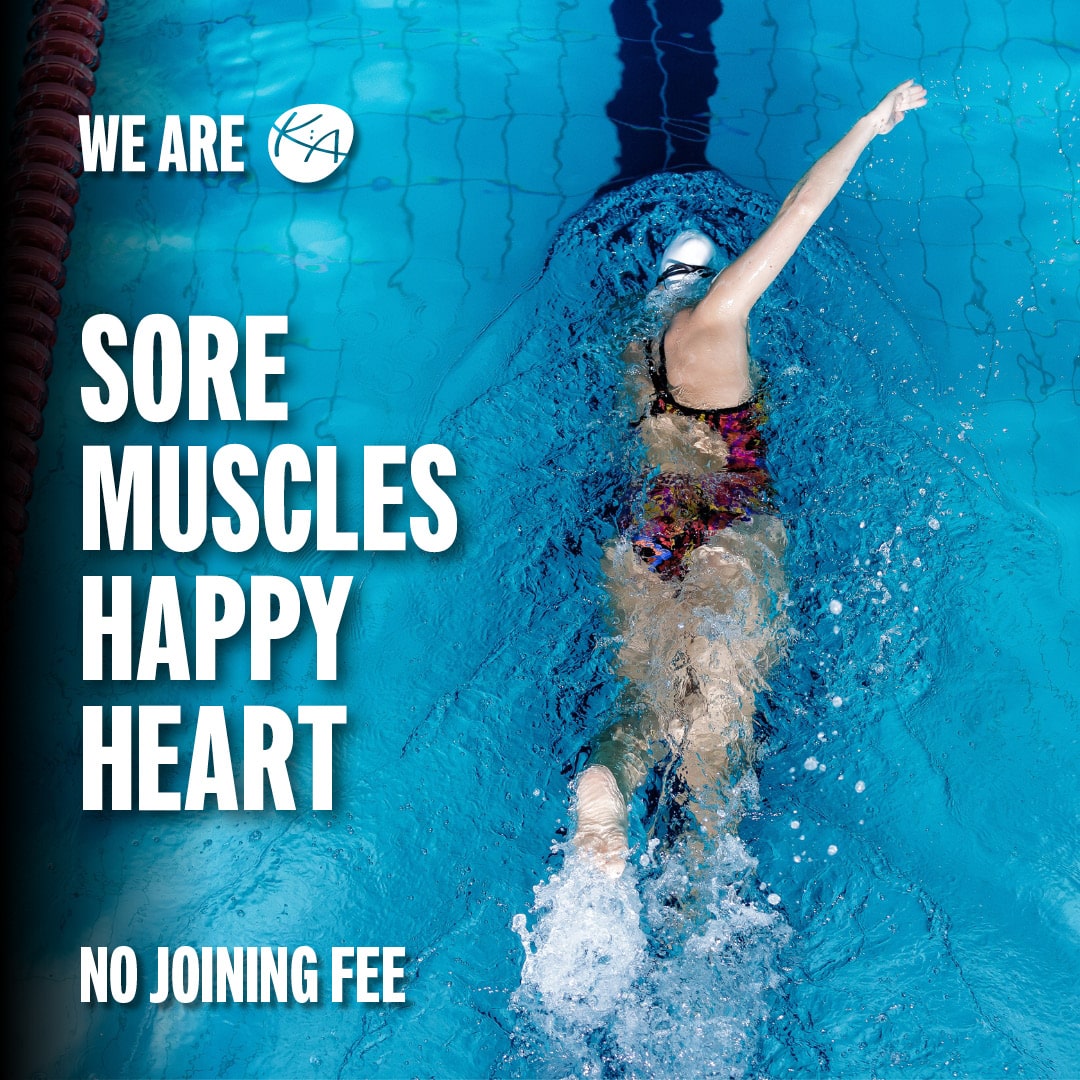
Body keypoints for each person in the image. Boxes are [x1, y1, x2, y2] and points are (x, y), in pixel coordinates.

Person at [573, 80, 928, 876]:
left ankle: (611, 782)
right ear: (706, 289)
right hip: (733, 531)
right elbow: (798, 213)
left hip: (647, 532)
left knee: (639, 701)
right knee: (716, 735)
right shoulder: (716, 324)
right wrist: (869, 125)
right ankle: (697, 892)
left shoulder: (632, 349)